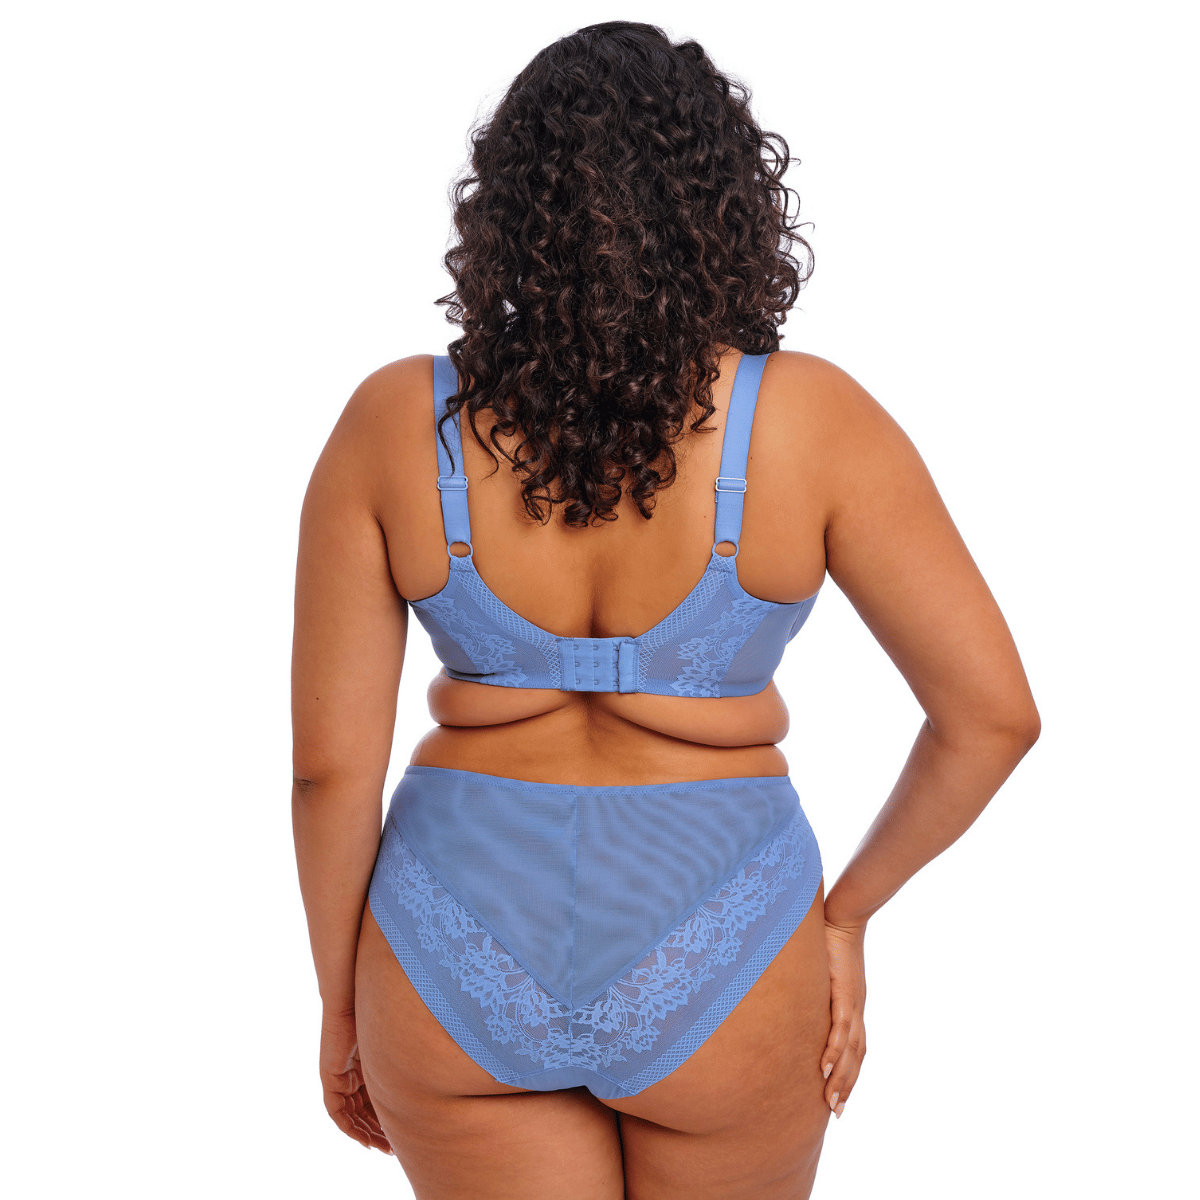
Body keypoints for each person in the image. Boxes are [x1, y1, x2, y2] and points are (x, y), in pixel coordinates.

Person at [291, 20, 1040, 1199]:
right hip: (722, 936)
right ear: (728, 208)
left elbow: (328, 773)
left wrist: (343, 1001)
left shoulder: (396, 422)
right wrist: (847, 918)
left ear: (506, 211)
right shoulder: (810, 422)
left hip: (451, 939)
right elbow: (993, 717)